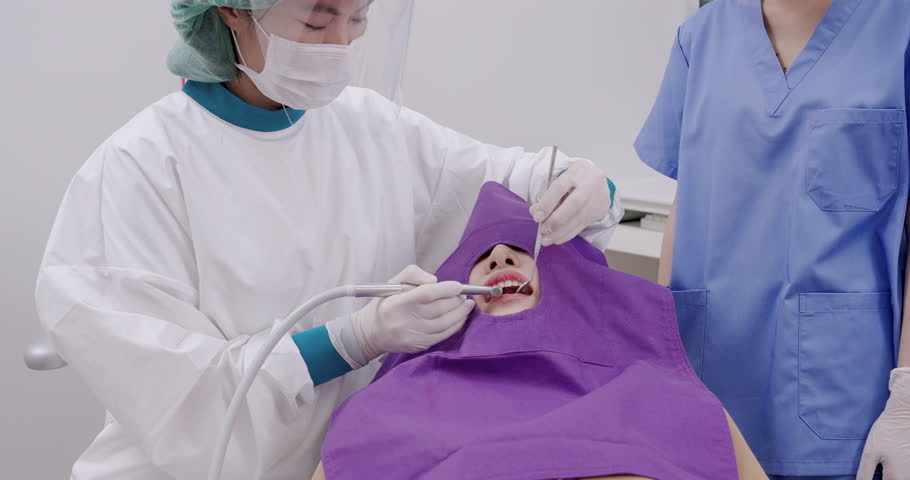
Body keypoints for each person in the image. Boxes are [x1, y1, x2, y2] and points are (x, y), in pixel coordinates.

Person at [33, 1, 623, 478]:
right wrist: (352, 339)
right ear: (234, 11)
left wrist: (585, 185)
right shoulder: (142, 168)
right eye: (318, 18)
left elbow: (508, 177)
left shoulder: (369, 126)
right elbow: (185, 403)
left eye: (359, 17)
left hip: (342, 463)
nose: (341, 42)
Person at [314, 182, 769, 480]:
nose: (499, 259)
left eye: (518, 249)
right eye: (483, 255)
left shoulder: (663, 394)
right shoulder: (386, 408)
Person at [634, 0, 910, 479]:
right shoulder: (701, 37)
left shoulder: (898, 30)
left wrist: (908, 393)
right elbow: (688, 200)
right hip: (710, 381)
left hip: (845, 402)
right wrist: (661, 359)